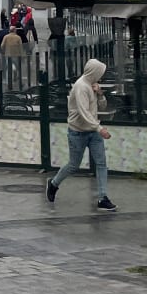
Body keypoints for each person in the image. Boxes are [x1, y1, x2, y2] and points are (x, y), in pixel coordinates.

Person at [45, 58, 116, 211]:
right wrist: (100, 129)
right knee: (73, 165)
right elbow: (84, 114)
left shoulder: (91, 85)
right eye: (100, 73)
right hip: (78, 132)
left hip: (93, 131)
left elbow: (101, 106)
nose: (101, 76)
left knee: (101, 163)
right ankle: (53, 183)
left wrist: (100, 94)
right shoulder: (81, 87)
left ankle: (103, 197)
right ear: (94, 72)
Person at [0, 25, 25, 89]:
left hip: (8, 55)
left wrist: (3, 51)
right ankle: (19, 82)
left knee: (8, 68)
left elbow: (2, 46)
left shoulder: (6, 37)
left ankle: (9, 83)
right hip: (16, 55)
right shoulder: (18, 37)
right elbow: (21, 47)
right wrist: (22, 56)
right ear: (14, 30)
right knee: (18, 68)